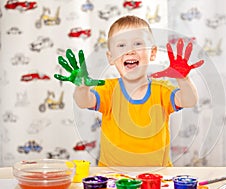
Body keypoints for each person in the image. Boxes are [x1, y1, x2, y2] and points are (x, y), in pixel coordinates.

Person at [54, 15, 204, 167]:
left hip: (157, 177)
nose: (130, 51)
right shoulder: (108, 89)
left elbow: (189, 100)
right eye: (121, 45)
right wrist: (82, 87)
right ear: (111, 57)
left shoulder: (161, 90)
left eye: (138, 43)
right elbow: (83, 101)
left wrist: (183, 78)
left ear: (152, 53)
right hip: (112, 176)